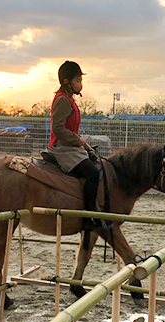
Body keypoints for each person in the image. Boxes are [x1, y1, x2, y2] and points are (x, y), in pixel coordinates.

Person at [47, 60, 102, 231]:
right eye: (78, 81)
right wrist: (78, 141)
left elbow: (70, 128)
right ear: (66, 82)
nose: (81, 84)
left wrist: (83, 144)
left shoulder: (69, 100)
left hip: (71, 146)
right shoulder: (62, 100)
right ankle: (88, 217)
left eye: (81, 80)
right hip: (63, 148)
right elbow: (57, 128)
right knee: (92, 173)